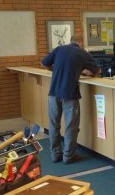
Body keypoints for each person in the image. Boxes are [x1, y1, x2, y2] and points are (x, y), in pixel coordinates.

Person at [42, 35, 100, 164]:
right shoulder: (82, 53)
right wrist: (84, 72)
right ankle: (68, 156)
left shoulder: (59, 49)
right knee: (71, 127)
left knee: (53, 125)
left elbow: (44, 63)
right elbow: (96, 71)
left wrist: (55, 69)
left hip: (53, 93)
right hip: (70, 94)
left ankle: (55, 155)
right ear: (80, 42)